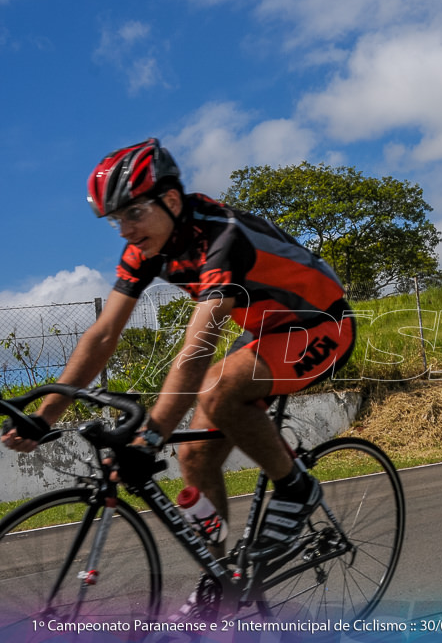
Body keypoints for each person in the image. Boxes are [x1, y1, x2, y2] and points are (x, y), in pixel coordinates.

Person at [1, 138, 356, 592]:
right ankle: (220, 582)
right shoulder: (145, 250)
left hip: (322, 323)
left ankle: (296, 488)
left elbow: (197, 347)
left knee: (215, 388)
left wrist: (149, 438)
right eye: (116, 220)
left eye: (133, 213)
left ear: (170, 200)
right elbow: (102, 335)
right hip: (266, 333)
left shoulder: (223, 236)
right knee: (192, 454)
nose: (125, 230)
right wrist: (44, 415)